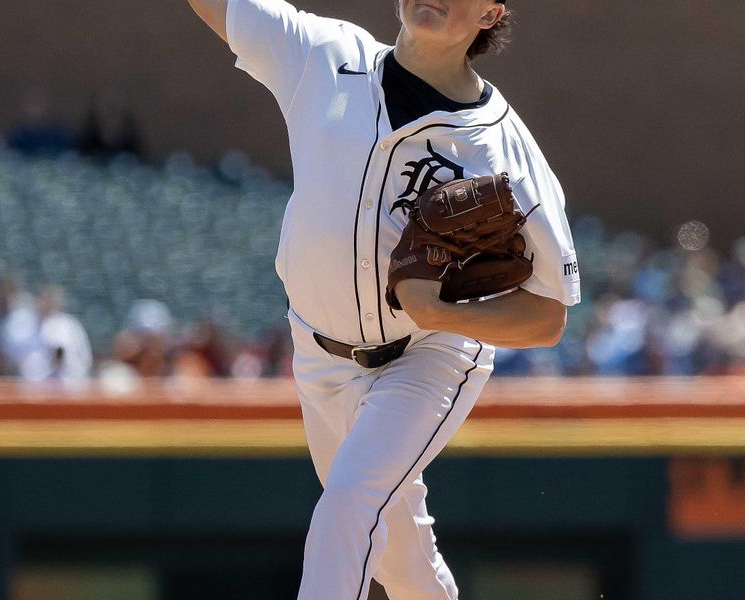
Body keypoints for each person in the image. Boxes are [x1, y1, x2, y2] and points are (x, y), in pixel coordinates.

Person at [186, 0, 581, 598]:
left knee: (347, 506)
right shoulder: (323, 56)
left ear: (491, 13)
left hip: (426, 357)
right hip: (317, 353)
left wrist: (443, 314)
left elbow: (548, 315)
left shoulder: (504, 148)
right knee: (398, 556)